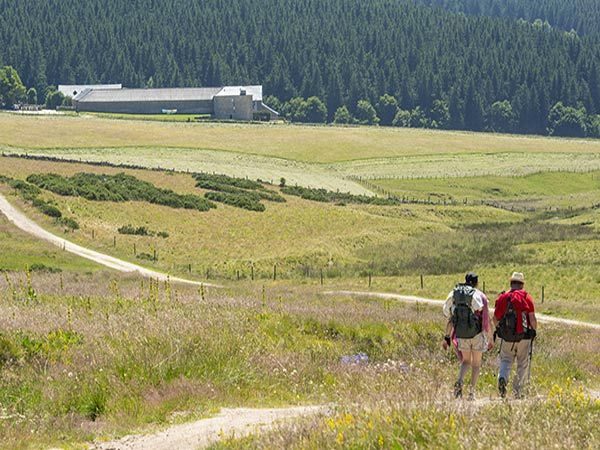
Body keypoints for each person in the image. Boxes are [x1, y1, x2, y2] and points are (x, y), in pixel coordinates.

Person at [442, 272, 493, 400]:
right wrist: (489, 335)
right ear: (476, 282)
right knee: (476, 364)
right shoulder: (475, 294)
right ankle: (471, 393)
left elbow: (446, 312)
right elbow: (481, 310)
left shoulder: (454, 293)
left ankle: (459, 381)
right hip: (475, 333)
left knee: (465, 361)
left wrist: (447, 336)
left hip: (461, 333)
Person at [493, 272, 537, 399]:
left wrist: (497, 330)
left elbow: (495, 318)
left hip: (507, 336)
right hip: (524, 336)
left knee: (506, 360)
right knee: (522, 363)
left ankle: (503, 378)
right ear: (522, 284)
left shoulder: (503, 297)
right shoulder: (527, 297)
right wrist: (534, 331)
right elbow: (532, 318)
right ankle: (517, 391)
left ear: (511, 283)